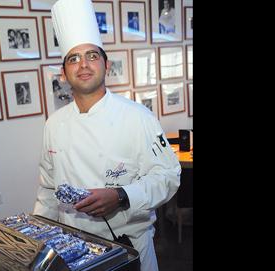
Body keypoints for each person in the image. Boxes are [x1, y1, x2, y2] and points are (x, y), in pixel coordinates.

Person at [33, 0, 181, 270]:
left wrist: (121, 196)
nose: (84, 65)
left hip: (130, 249)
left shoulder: (138, 117)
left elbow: (168, 176)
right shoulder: (53, 125)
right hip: (73, 251)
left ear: (106, 65)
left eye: (92, 56)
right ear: (63, 74)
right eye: (73, 58)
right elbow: (47, 191)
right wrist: (36, 243)